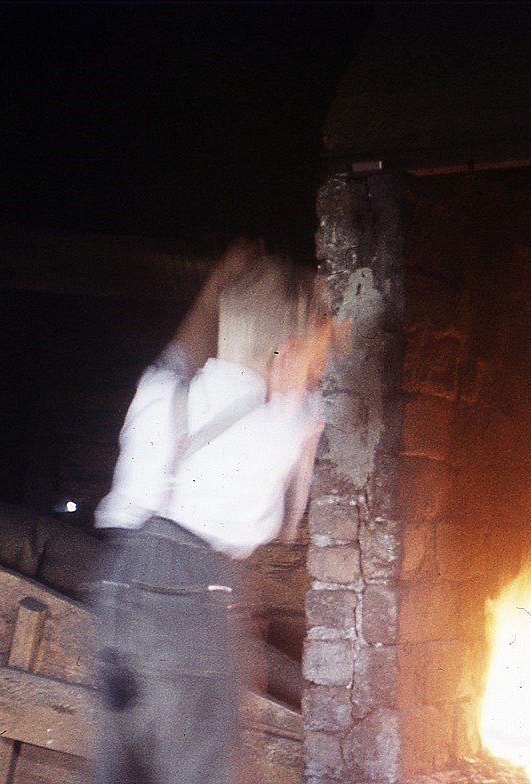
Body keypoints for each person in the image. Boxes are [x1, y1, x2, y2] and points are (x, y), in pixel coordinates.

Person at [88, 238, 337, 784]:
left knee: (122, 768)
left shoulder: (161, 391)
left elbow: (183, 346)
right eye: (312, 362)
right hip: (194, 597)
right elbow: (320, 363)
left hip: (118, 590)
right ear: (287, 353)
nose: (317, 374)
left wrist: (220, 279)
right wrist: (332, 309)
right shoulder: (283, 425)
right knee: (202, 768)